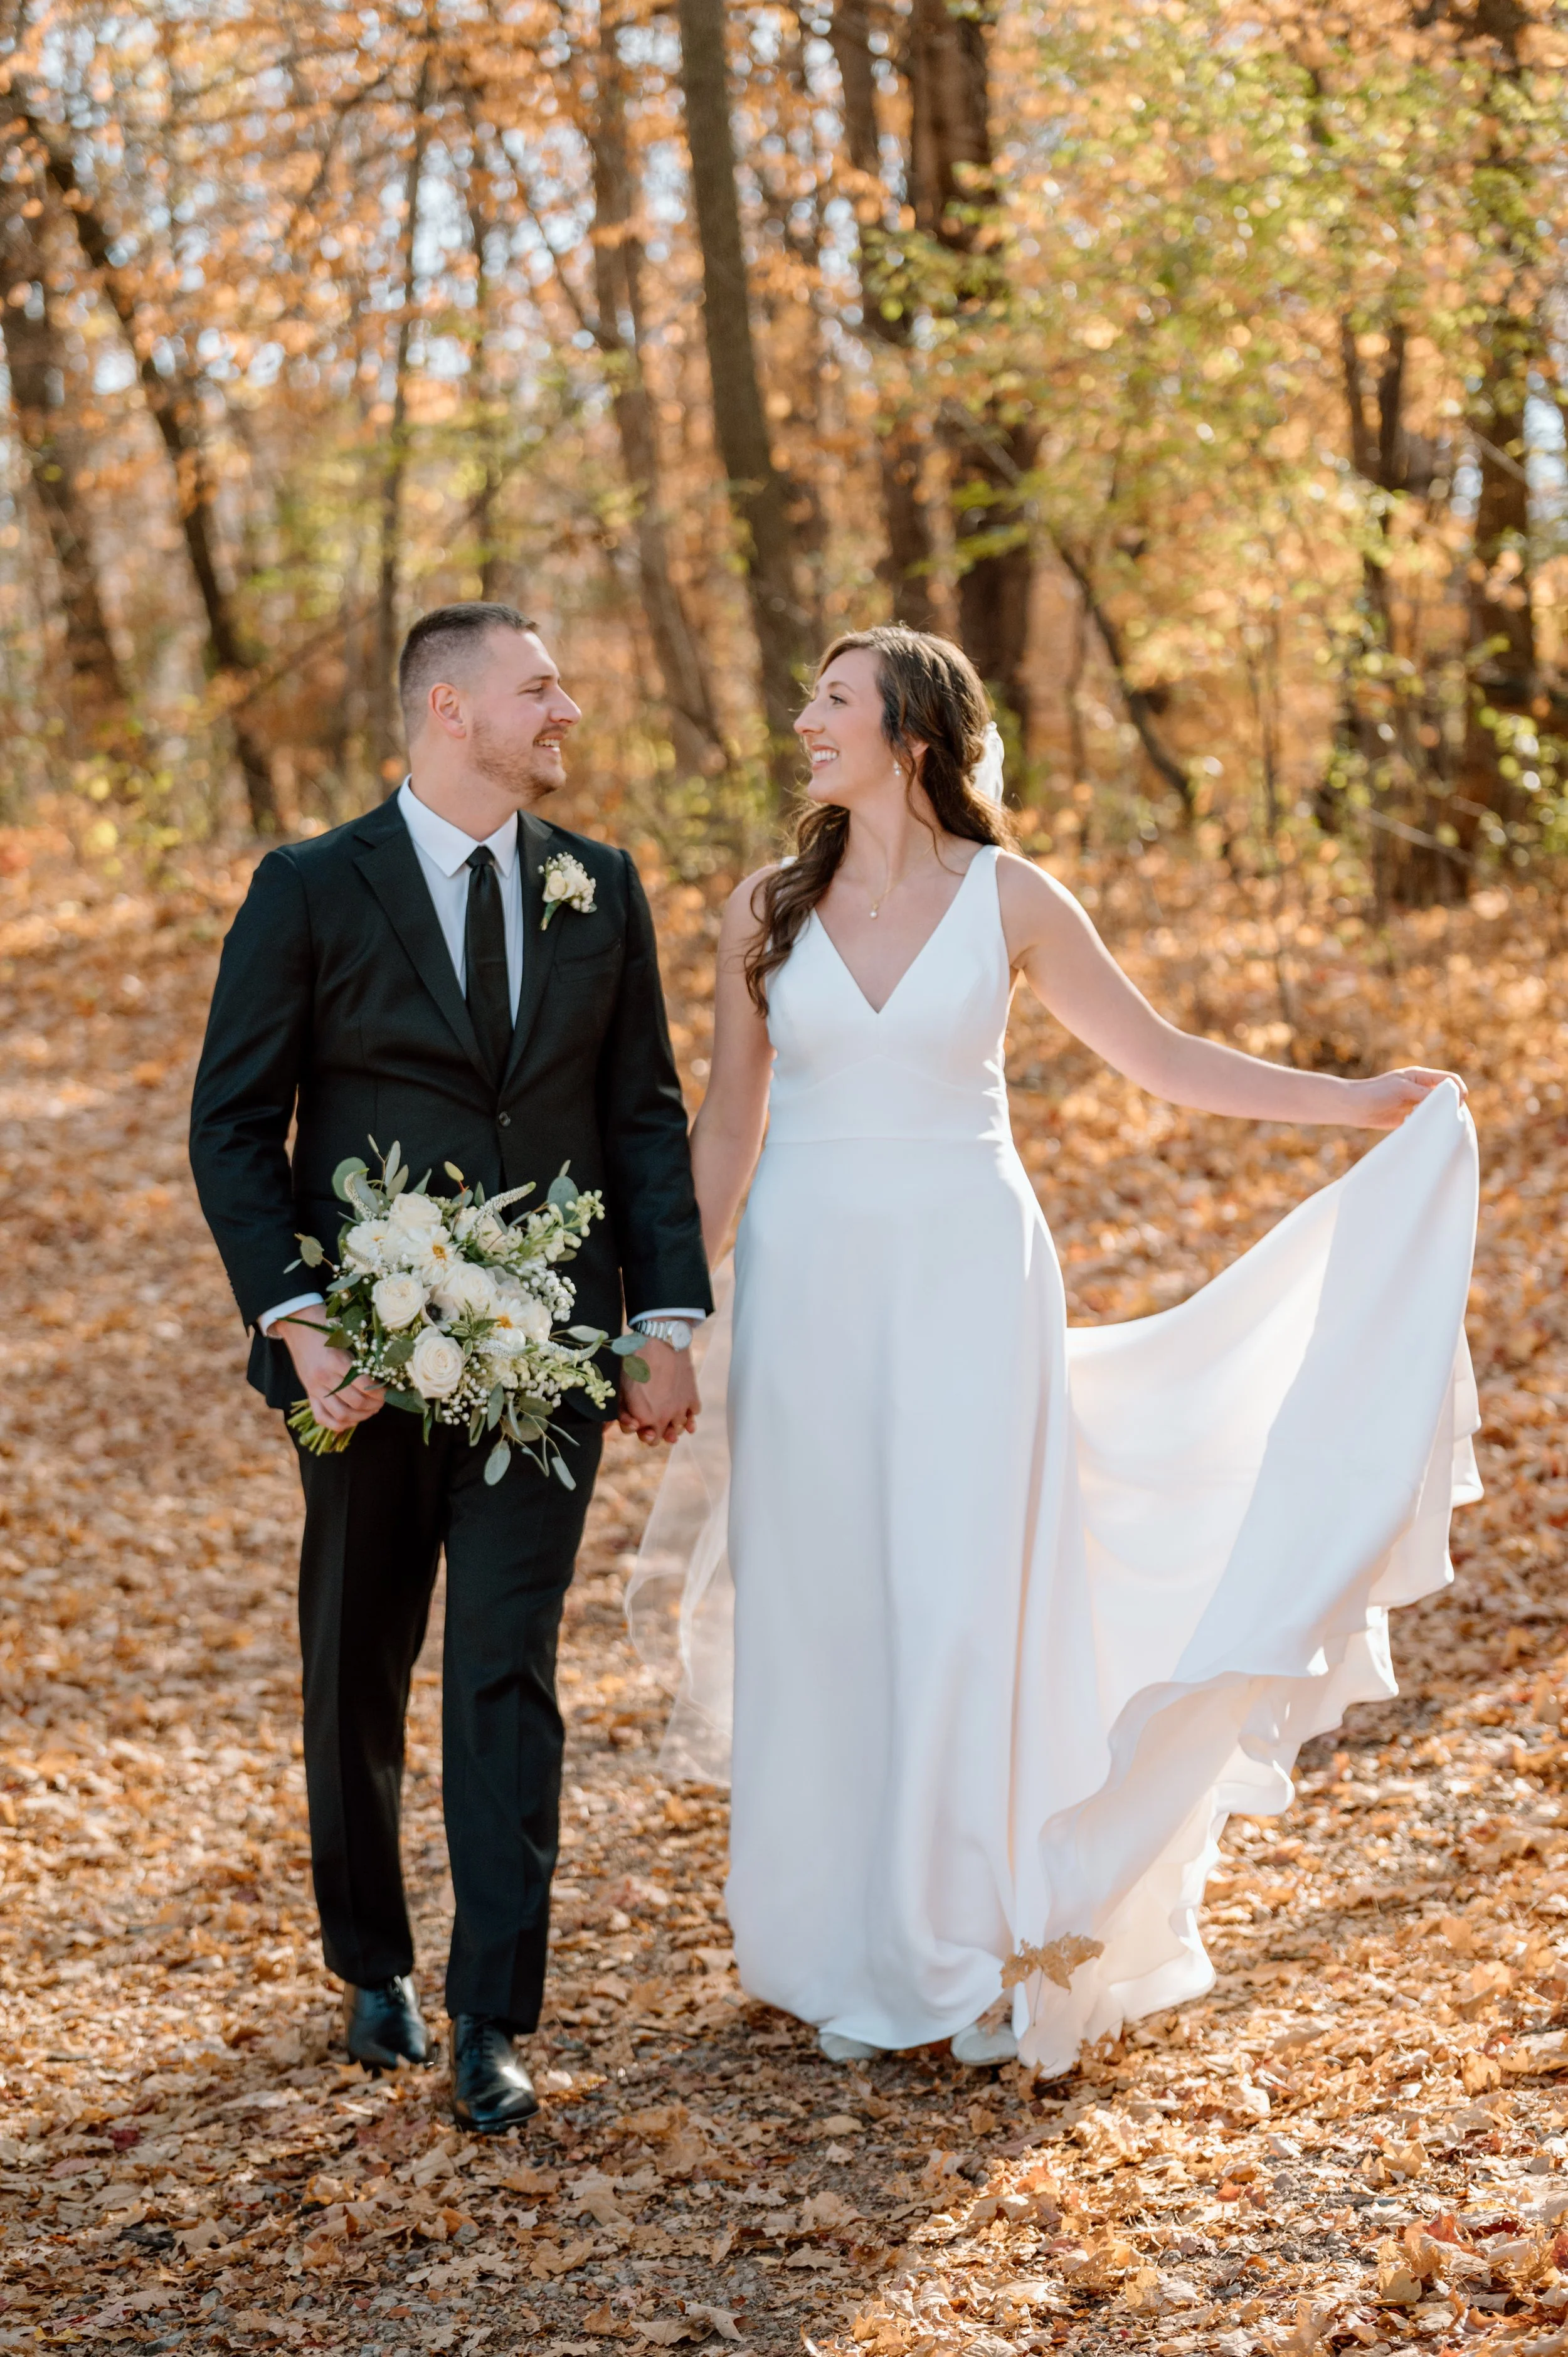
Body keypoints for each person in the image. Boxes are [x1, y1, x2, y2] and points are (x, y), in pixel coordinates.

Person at [630, 624, 1478, 2071]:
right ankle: (828, 1931)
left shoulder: (1010, 898)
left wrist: (1347, 1102)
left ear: (908, 734)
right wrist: (666, 1312)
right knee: (826, 1596)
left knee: (966, 1593)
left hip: (969, 1279)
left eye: (830, 702)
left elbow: (1158, 1057)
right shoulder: (762, 909)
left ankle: (970, 1926)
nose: (800, 723)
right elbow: (725, 1124)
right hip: (810, 1286)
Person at [190, 603, 711, 2128]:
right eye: (539, 688)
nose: (567, 710)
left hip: (546, 1354)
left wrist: (662, 1320)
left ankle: (495, 2010)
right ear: (447, 707)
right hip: (358, 1355)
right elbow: (235, 1122)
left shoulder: (597, 889)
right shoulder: (306, 888)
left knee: (505, 1666)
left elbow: (642, 1117)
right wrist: (296, 1317)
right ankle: (372, 1959)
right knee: (358, 1655)